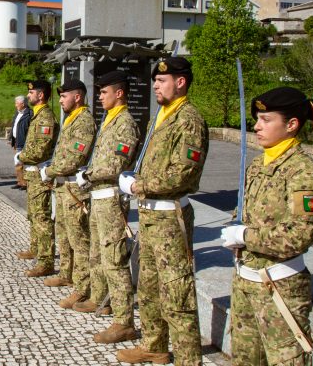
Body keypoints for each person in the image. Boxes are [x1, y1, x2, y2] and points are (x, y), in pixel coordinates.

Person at [221, 87, 313, 366]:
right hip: (245, 280)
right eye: (257, 118)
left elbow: (300, 236)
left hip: (279, 287)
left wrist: (245, 235)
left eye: (266, 119)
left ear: (291, 124)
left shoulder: (305, 173)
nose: (256, 126)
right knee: (245, 359)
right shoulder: (258, 164)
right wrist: (235, 225)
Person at [116, 57, 209, 365]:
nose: (155, 85)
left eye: (162, 81)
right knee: (150, 287)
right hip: (152, 217)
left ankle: (188, 359)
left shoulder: (189, 119)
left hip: (171, 218)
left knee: (177, 293)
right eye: (155, 81)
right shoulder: (164, 115)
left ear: (180, 82)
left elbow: (182, 173)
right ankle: (155, 346)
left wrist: (137, 185)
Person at [72, 71, 141, 344]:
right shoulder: (109, 120)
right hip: (98, 196)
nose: (99, 96)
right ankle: (101, 298)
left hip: (111, 196)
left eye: (104, 92)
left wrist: (87, 176)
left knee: (114, 259)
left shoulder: (124, 123)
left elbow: (115, 165)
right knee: (97, 253)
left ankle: (124, 321)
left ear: (119, 93)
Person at [38, 81, 96, 298]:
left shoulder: (84, 121)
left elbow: (74, 158)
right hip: (63, 185)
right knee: (63, 234)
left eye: (64, 96)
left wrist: (50, 171)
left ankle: (83, 287)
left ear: (78, 97)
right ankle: (66, 272)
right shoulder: (72, 118)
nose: (60, 100)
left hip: (74, 188)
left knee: (78, 238)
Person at [14, 80, 58, 277]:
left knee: (42, 217)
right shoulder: (37, 115)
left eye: (31, 92)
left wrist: (21, 156)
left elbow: (40, 149)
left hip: (39, 172)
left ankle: (46, 260)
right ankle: (36, 248)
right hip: (31, 173)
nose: (28, 95)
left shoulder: (45, 117)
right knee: (33, 214)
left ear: (41, 95)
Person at [9, 96, 31, 190]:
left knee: (23, 163)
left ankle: (25, 183)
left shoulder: (30, 114)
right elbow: (14, 126)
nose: (15, 105)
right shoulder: (17, 113)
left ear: (22, 104)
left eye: (16, 103)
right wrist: (11, 138)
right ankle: (20, 181)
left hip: (23, 142)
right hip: (16, 141)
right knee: (17, 162)